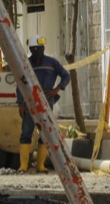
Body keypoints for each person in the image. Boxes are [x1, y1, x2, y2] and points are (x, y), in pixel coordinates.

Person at [16, 37, 70, 173]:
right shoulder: (26, 64)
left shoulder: (52, 63)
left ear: (43, 49)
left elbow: (66, 76)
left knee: (45, 134)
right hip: (30, 104)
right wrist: (21, 103)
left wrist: (57, 89)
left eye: (39, 49)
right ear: (31, 50)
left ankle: (40, 165)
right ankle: (23, 166)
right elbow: (20, 84)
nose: (37, 52)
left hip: (46, 104)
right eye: (34, 49)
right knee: (26, 133)